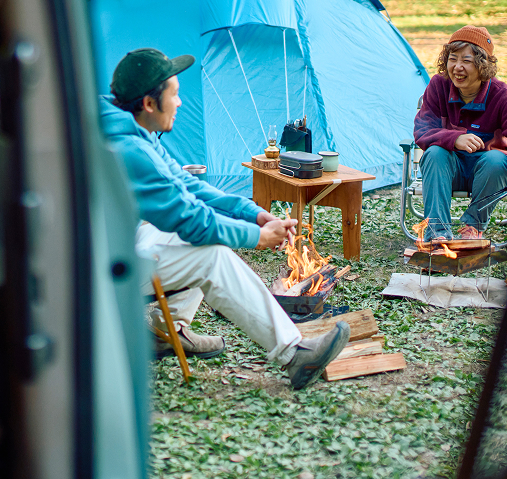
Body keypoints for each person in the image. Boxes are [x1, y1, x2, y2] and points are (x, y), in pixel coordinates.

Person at [100, 48, 349, 389]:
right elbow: (193, 221)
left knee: (195, 235)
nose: (180, 103)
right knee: (210, 253)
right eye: (174, 96)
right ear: (148, 104)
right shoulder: (127, 151)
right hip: (95, 273)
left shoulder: (126, 126)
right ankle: (295, 354)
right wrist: (257, 237)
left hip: (110, 247)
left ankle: (166, 331)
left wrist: (255, 214)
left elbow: (188, 186)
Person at [414, 26, 507, 241]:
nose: (457, 67)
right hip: (445, 172)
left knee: (497, 159)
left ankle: (472, 228)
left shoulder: (501, 96)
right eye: (452, 59)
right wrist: (454, 139)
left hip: (485, 176)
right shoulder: (438, 86)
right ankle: (436, 235)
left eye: (467, 61)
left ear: (482, 66)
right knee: (435, 153)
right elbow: (422, 130)